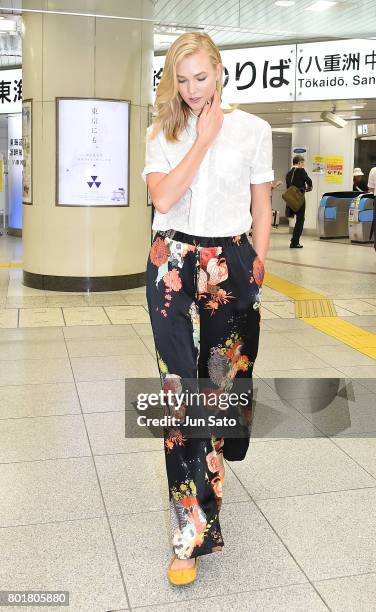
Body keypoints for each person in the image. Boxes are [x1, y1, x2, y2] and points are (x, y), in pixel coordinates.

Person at [141, 32, 273, 585]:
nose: (193, 90)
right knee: (180, 393)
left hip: (230, 260)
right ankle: (189, 534)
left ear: (220, 71)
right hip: (171, 259)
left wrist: (257, 263)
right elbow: (164, 197)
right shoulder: (161, 132)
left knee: (218, 389)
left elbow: (262, 205)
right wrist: (201, 137)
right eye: (182, 79)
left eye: (202, 77)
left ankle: (223, 437)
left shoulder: (255, 130)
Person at [285, 155, 312, 248]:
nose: (303, 165)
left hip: (290, 199)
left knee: (297, 218)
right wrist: (310, 187)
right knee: (300, 219)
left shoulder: (288, 173)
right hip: (299, 198)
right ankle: (295, 242)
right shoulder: (301, 171)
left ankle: (294, 241)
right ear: (299, 162)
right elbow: (309, 180)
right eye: (302, 163)